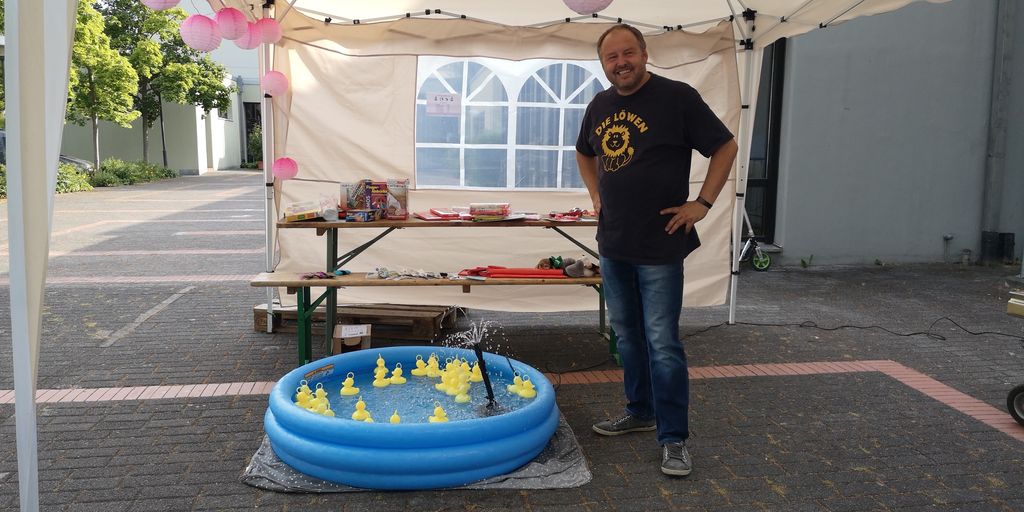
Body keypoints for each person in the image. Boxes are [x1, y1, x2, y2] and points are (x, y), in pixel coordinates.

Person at [575, 24, 738, 476]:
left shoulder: (677, 98)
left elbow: (725, 146)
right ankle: (640, 411)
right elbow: (584, 152)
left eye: (628, 53)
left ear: (644, 54)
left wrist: (702, 203)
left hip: (660, 243)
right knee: (627, 337)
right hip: (614, 243)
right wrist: (595, 194)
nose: (621, 63)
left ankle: (674, 438)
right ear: (603, 64)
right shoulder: (599, 104)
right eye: (611, 57)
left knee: (662, 342)